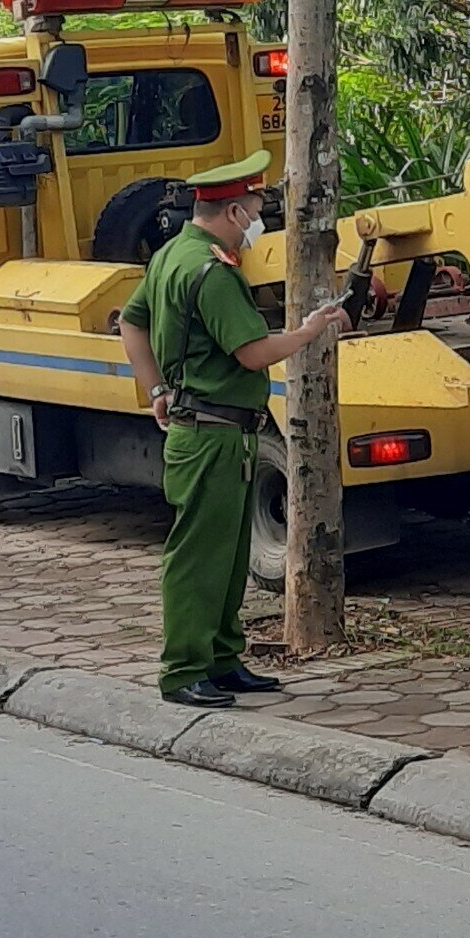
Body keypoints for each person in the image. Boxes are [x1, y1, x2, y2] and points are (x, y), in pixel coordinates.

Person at [116, 151, 349, 708]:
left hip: (212, 429)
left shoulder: (172, 254)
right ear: (232, 213)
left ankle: (221, 657)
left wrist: (155, 389)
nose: (256, 219)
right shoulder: (212, 272)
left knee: (224, 553)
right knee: (199, 555)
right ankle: (184, 669)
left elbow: (131, 321)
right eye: (252, 209)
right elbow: (251, 352)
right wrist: (310, 330)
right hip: (213, 433)